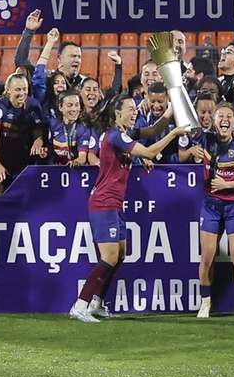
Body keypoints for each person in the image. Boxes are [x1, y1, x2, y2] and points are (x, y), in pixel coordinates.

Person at [68, 95, 188, 323]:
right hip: (104, 203)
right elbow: (150, 152)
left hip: (114, 204)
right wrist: (173, 133)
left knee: (120, 255)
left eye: (135, 109)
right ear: (117, 113)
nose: (134, 113)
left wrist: (168, 115)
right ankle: (80, 305)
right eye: (130, 109)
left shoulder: (125, 134)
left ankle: (97, 303)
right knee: (109, 256)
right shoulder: (115, 136)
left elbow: (152, 130)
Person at [189, 102, 234, 319]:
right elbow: (185, 139)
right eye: (221, 116)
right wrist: (190, 149)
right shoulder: (205, 140)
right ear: (214, 121)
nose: (225, 119)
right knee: (207, 256)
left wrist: (226, 185)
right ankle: (205, 303)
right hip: (211, 206)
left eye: (229, 116)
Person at [0, 73, 47, 195]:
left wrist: (38, 142)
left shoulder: (34, 105)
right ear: (8, 90)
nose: (22, 93)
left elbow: (38, 134)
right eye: (18, 89)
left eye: (25, 89)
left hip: (24, 159)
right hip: (3, 157)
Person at [15, 10, 87, 89]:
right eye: (73, 56)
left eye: (79, 57)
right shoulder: (47, 78)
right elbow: (21, 61)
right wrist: (29, 31)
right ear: (59, 58)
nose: (77, 60)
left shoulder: (85, 84)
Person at [48, 91, 94, 167]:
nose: (74, 109)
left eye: (77, 105)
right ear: (60, 107)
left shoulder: (84, 128)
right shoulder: (52, 124)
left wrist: (76, 162)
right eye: (70, 105)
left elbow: (82, 157)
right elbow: (47, 148)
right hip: (55, 169)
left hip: (75, 171)